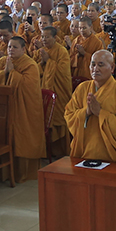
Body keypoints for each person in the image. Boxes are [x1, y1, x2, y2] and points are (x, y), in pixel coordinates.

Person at [64, 49, 116, 163]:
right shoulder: (82, 88)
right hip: (83, 153)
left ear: (112, 68)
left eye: (100, 65)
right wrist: (86, 112)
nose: (95, 69)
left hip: (112, 156)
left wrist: (100, 113)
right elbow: (69, 115)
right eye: (93, 64)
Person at [0, 36, 44, 182]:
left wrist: (12, 73)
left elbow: (28, 87)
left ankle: (22, 173)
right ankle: (3, 173)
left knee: (22, 136)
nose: (11, 50)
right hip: (4, 109)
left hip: (24, 109)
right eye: (9, 47)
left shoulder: (30, 65)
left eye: (15, 47)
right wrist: (5, 72)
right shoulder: (2, 62)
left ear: (23, 49)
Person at [36, 25, 73, 159]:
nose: (44, 39)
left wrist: (49, 61)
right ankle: (47, 151)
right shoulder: (41, 51)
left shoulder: (62, 51)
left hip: (60, 90)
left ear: (55, 37)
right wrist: (42, 62)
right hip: (46, 90)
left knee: (59, 120)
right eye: (42, 37)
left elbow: (63, 72)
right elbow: (37, 71)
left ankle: (61, 151)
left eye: (47, 37)